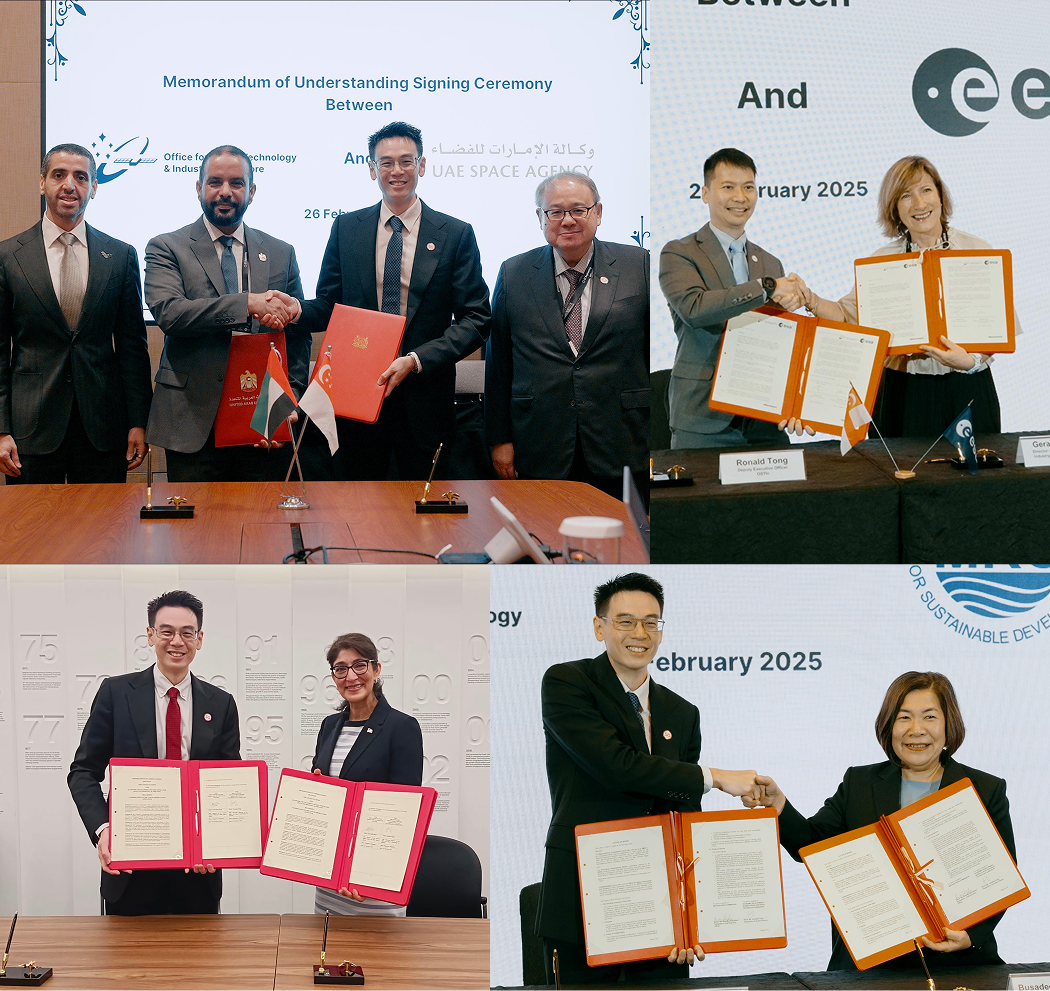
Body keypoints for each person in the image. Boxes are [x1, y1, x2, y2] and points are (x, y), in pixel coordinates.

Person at [538, 572, 763, 984]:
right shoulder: (567, 682)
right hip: (583, 899)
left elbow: (684, 815)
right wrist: (714, 777)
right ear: (599, 627)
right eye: (625, 621)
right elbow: (615, 766)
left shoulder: (682, 711)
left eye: (651, 622)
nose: (639, 633)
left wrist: (689, 917)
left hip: (660, 911)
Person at [747, 670, 1015, 972]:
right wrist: (778, 803)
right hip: (870, 965)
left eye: (929, 717)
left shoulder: (984, 788)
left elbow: (1000, 879)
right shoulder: (859, 783)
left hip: (958, 962)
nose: (916, 730)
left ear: (948, 724)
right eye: (904, 718)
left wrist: (970, 937)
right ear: (888, 725)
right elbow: (810, 844)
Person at [297, 121, 491, 480]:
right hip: (356, 397)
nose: (396, 171)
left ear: (422, 166)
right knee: (357, 509)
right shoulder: (346, 228)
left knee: (423, 515)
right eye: (386, 162)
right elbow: (328, 304)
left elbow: (476, 319)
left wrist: (417, 360)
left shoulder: (455, 234)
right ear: (372, 169)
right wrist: (294, 309)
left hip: (425, 400)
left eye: (406, 161)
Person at [792, 156, 1003, 436]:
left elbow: (995, 330)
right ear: (895, 208)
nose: (919, 204)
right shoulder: (881, 261)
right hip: (902, 390)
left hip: (968, 387)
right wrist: (810, 299)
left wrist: (969, 362)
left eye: (926, 190)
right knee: (902, 478)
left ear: (940, 195)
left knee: (976, 477)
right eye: (905, 195)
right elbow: (847, 315)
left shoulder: (978, 251)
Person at [67, 590, 241, 915]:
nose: (177, 641)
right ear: (150, 635)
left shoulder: (221, 704)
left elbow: (228, 784)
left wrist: (219, 842)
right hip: (130, 870)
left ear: (199, 639)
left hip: (198, 872)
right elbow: (83, 772)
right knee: (126, 965)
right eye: (167, 631)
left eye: (187, 633)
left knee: (199, 964)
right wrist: (104, 831)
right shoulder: (116, 694)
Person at [144, 144, 310, 481]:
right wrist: (246, 303)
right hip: (192, 420)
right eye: (215, 182)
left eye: (236, 183)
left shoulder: (281, 252)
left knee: (264, 528)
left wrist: (288, 400)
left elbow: (296, 336)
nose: (225, 192)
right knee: (194, 531)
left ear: (251, 191)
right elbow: (171, 315)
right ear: (198, 188)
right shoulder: (166, 246)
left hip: (262, 416)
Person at [485, 174, 648, 500]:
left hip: (621, 440)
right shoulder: (514, 272)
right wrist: (499, 439)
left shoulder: (638, 265)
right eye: (555, 212)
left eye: (579, 210)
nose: (567, 220)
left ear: (598, 213)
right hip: (541, 441)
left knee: (624, 545)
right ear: (540, 217)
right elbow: (499, 362)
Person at [0, 143, 152, 483]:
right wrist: (0, 430)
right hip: (30, 431)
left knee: (103, 533)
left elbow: (132, 347)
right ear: (42, 183)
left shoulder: (121, 255)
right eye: (59, 175)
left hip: (103, 429)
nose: (70, 185)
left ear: (94, 188)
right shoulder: (8, 257)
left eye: (80, 177)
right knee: (32, 534)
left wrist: (137, 421)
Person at [658, 147, 806, 449]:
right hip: (702, 418)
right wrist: (765, 287)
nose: (740, 197)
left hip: (764, 418)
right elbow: (694, 309)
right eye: (728, 187)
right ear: (705, 193)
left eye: (748, 187)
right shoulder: (679, 252)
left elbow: (778, 337)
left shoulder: (769, 262)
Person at [310, 632, 423, 916]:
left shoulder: (402, 727)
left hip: (372, 885)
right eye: (340, 669)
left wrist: (367, 874)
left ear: (376, 669)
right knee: (329, 955)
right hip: (329, 882)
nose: (351, 676)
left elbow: (403, 812)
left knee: (379, 958)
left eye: (359, 665)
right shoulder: (329, 725)